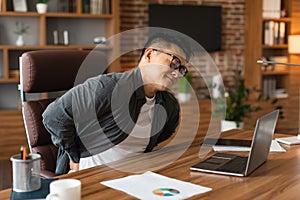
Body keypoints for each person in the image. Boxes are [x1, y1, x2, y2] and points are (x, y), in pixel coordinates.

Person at [42, 32, 191, 175]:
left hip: (136, 177)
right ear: (149, 55)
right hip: (92, 177)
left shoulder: (169, 105)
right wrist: (74, 156)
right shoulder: (109, 87)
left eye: (182, 69)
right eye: (174, 62)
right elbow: (54, 116)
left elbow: (166, 132)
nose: (177, 73)